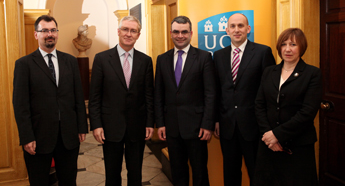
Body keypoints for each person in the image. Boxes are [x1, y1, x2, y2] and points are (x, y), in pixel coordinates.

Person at [12, 15, 88, 185]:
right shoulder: (24, 64)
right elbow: (20, 104)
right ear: (36, 34)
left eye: (53, 30)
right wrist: (26, 137)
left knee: (69, 181)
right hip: (38, 138)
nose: (50, 34)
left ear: (57, 33)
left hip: (68, 137)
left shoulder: (70, 61)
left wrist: (82, 126)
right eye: (44, 30)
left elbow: (78, 96)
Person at [89, 16, 154, 185]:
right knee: (112, 174)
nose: (128, 34)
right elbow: (94, 96)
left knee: (135, 174)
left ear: (138, 35)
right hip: (110, 127)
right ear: (118, 32)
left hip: (137, 127)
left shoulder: (145, 61)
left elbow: (149, 95)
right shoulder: (101, 59)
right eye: (125, 29)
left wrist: (149, 123)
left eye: (133, 31)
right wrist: (96, 124)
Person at [213, 13, 275, 186]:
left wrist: (267, 125)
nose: (236, 30)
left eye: (240, 26)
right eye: (232, 26)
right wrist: (216, 120)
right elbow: (217, 91)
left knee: (257, 172)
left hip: (254, 126)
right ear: (227, 30)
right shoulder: (218, 56)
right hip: (227, 126)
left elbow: (269, 91)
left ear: (248, 29)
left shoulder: (263, 52)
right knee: (230, 173)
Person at [254, 28, 321, 185]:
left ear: (301, 47)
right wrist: (268, 135)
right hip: (268, 145)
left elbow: (308, 112)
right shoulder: (269, 71)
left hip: (298, 146)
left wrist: (277, 135)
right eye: (283, 44)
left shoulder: (312, 73)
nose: (288, 49)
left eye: (293, 44)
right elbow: (259, 104)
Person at [155, 15, 216, 186]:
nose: (180, 35)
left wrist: (207, 124)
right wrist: (160, 123)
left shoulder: (204, 57)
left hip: (197, 128)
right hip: (172, 127)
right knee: (178, 172)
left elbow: (210, 94)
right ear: (171, 33)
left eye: (184, 32)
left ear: (191, 33)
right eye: (176, 32)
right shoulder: (162, 59)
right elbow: (158, 94)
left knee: (200, 173)